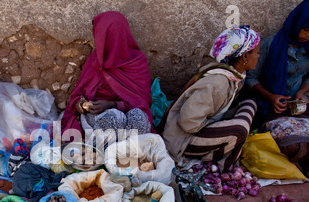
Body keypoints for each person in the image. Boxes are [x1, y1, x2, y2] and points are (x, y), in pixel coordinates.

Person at [160, 25, 261, 172]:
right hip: (183, 139)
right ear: (245, 56)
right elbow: (188, 122)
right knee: (239, 130)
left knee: (250, 103)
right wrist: (218, 125)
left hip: (196, 127)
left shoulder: (232, 76)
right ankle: (223, 169)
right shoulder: (218, 83)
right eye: (257, 53)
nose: (259, 56)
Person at [60, 11, 154, 146]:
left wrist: (113, 105)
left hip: (126, 115)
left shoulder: (137, 61)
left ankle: (125, 153)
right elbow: (77, 96)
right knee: (112, 119)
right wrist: (82, 105)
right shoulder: (95, 60)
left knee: (139, 117)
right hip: (97, 119)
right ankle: (106, 154)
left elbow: (142, 103)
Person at [245, 0, 309, 175]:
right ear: (297, 23)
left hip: (298, 109)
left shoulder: (308, 49)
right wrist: (270, 97)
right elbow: (250, 77)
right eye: (306, 29)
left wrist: (302, 91)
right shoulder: (270, 44)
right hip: (269, 108)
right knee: (295, 143)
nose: (308, 36)